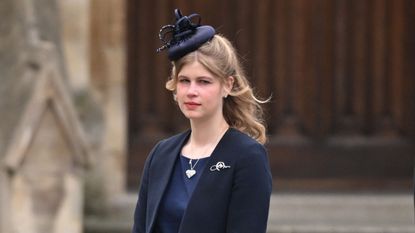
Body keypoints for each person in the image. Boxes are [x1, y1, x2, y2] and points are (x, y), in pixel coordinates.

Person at [131, 9, 272, 233]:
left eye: (204, 81)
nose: (191, 91)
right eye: (185, 81)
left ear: (227, 85)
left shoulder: (247, 157)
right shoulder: (161, 154)